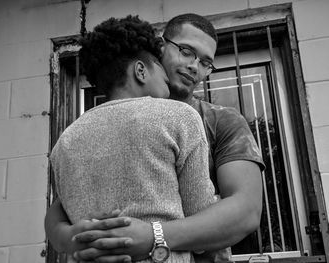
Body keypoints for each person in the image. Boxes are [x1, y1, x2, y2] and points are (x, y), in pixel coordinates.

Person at [45, 13, 265, 263]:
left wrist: (152, 235)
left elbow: (246, 211)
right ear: (161, 48)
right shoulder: (99, 128)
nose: (195, 66)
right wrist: (75, 239)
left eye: (206, 63)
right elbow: (60, 211)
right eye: (186, 51)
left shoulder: (222, 121)